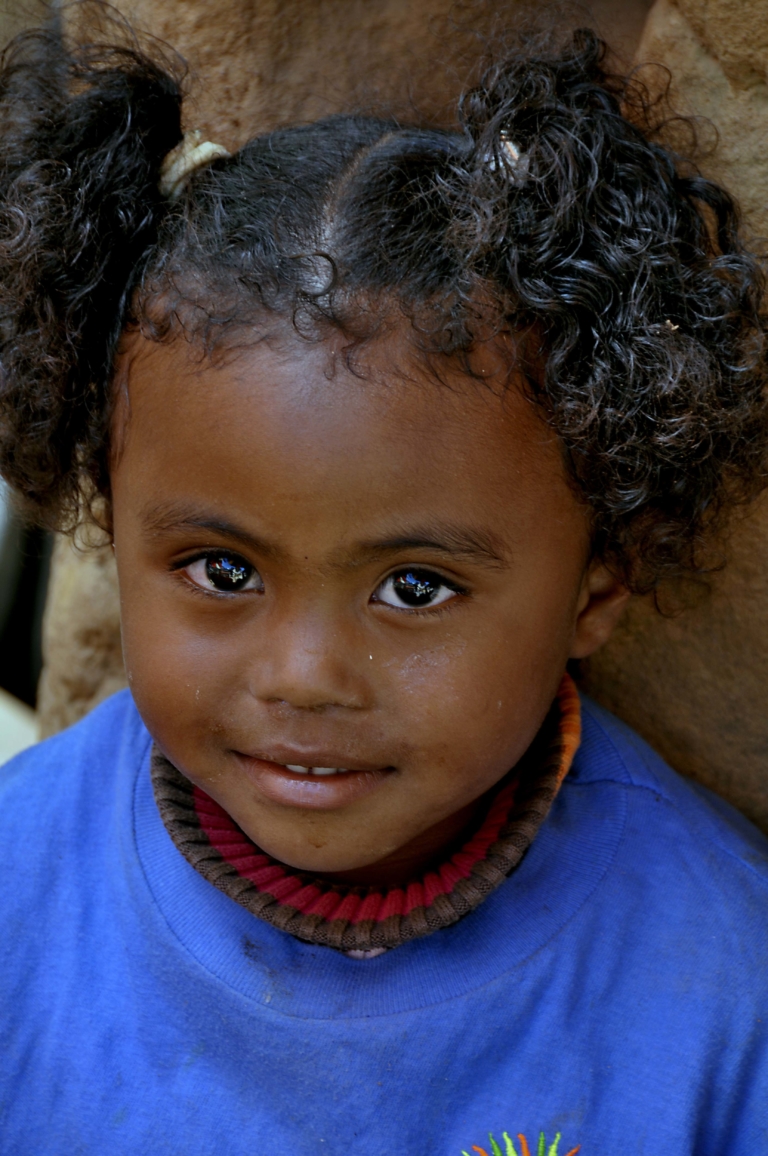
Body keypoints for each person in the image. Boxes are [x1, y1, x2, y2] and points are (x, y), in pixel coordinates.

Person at [0, 15, 766, 1155]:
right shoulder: (18, 889)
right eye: (223, 570)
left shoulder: (728, 989)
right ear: (116, 534)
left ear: (598, 583)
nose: (305, 676)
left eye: (414, 587)